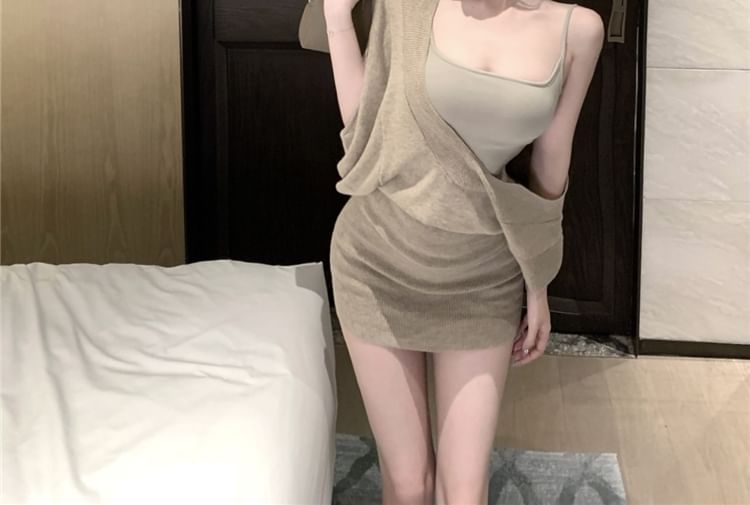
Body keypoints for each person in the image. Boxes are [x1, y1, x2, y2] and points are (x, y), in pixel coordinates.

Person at [325, 0, 604, 503]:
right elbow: (365, 134)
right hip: (376, 264)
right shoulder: (406, 7)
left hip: (483, 277)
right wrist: (336, 18)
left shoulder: (578, 30)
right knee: (408, 483)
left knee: (465, 491)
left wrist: (537, 280)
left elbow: (550, 161)